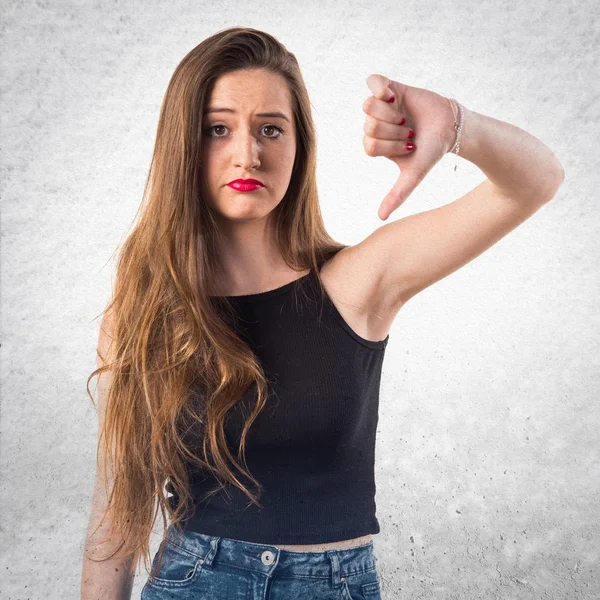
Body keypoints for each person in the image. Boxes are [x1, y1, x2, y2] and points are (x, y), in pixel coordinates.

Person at [80, 26, 564, 600]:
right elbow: (117, 518)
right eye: (218, 128)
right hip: (195, 580)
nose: (248, 153)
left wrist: (457, 125)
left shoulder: (356, 283)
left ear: (299, 146)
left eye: (270, 129)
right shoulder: (142, 314)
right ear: (182, 144)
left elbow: (536, 181)